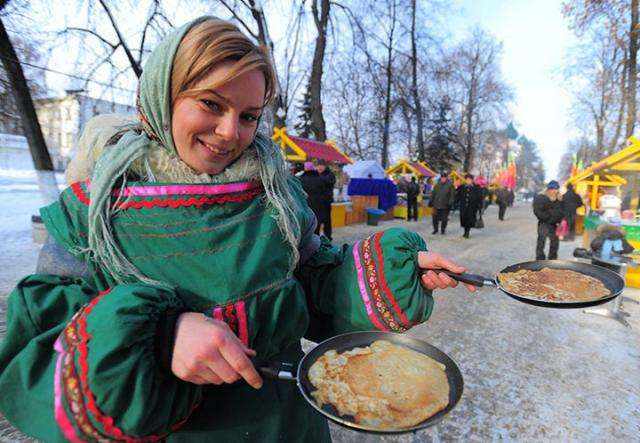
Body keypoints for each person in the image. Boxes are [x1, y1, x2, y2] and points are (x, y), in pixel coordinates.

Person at [0, 17, 476, 443]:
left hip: (288, 427)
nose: (231, 131)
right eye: (211, 103)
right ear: (161, 97)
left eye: (249, 115)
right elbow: (38, 348)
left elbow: (313, 283)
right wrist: (159, 336)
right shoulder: (93, 212)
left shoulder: (273, 196)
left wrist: (392, 273)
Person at [533, 180, 564, 260]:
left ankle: (552, 259)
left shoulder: (559, 199)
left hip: (554, 224)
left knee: (555, 242)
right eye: (553, 189)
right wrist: (547, 217)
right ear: (548, 189)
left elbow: (561, 211)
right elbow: (537, 211)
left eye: (556, 189)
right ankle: (539, 259)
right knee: (541, 241)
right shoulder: (541, 198)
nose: (555, 191)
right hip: (544, 223)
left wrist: (560, 220)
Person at [299, 162, 325, 234]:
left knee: (305, 226)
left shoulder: (301, 179)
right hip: (317, 205)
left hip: (305, 206)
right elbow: (323, 193)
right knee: (316, 226)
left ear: (305, 169)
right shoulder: (320, 178)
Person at [456, 174, 482, 238]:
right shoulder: (462, 187)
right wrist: (455, 202)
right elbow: (457, 196)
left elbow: (479, 197)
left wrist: (479, 206)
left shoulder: (476, 188)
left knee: (469, 220)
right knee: (464, 219)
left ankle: (467, 232)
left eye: (469, 180)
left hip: (472, 207)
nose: (468, 181)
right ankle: (465, 231)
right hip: (463, 207)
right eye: (467, 180)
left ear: (472, 180)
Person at [315, 159, 335, 240]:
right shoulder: (316, 175)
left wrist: (318, 179)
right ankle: (316, 236)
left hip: (326, 201)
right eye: (318, 165)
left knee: (327, 220)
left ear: (325, 166)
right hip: (317, 202)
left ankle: (328, 237)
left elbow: (329, 182)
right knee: (317, 220)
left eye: (321, 165)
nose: (319, 167)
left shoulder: (330, 174)